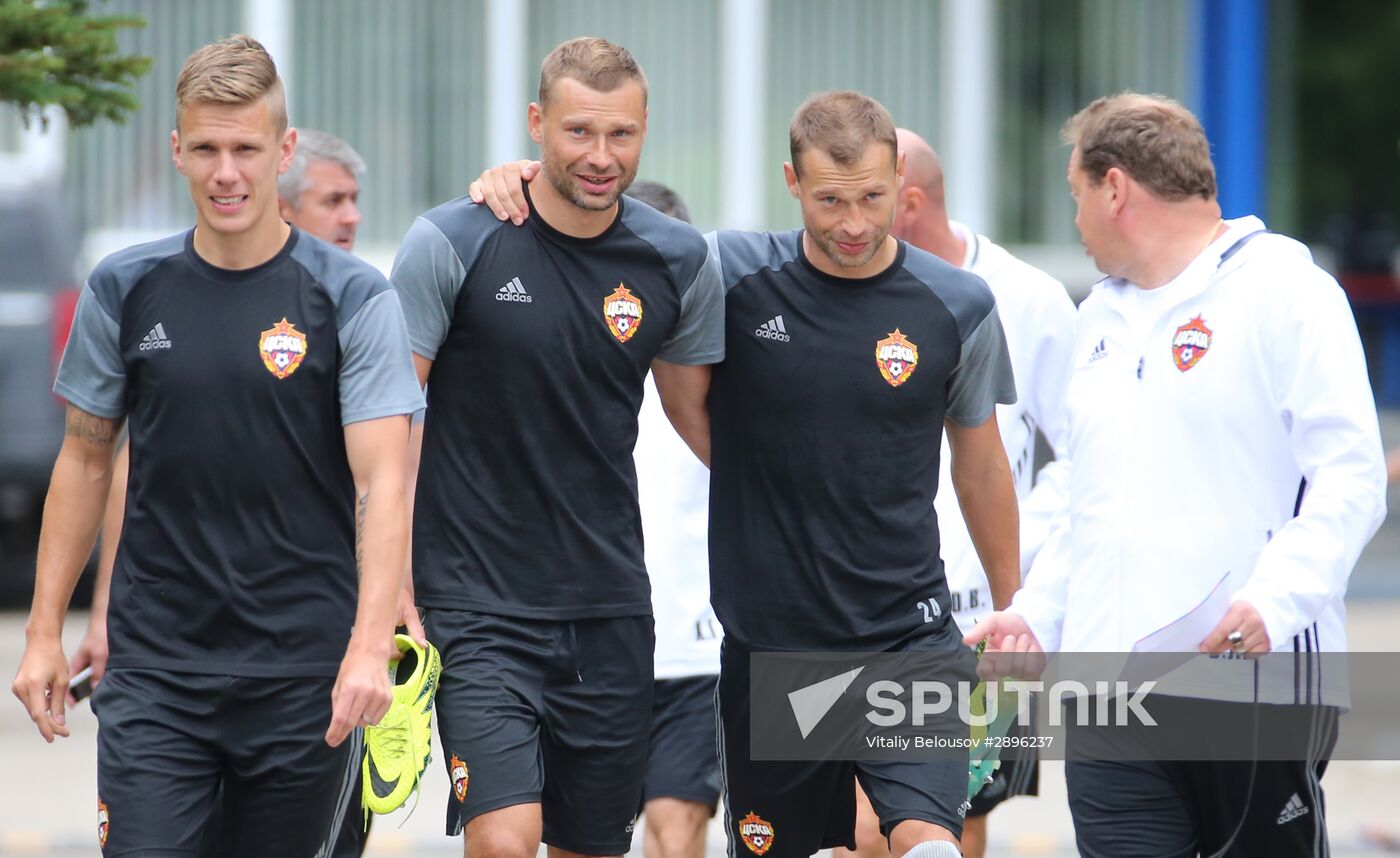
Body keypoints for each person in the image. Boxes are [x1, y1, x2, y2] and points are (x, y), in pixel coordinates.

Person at [471, 88, 1019, 858]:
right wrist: (523, 180)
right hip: (770, 646)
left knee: (926, 838)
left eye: (871, 196)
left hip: (908, 636)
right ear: (792, 185)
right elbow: (622, 252)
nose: (854, 223)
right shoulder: (729, 273)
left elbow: (983, 467)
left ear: (900, 179)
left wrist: (1011, 604)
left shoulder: (958, 303)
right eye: (830, 201)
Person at [9, 35, 423, 855]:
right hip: (159, 675)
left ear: (285, 149)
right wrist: (45, 630)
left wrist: (371, 647)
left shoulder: (351, 299)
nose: (226, 172)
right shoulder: (124, 289)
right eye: (206, 148)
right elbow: (86, 460)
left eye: (246, 148)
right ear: (177, 151)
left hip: (307, 677)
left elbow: (385, 483)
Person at [967, 92, 1387, 857]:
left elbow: (1352, 476)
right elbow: (1087, 511)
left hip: (1247, 687)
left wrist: (1275, 596)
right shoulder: (1096, 318)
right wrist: (1036, 616)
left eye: (1076, 196)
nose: (1076, 221)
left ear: (1116, 188)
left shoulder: (1286, 293)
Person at [390, 37, 723, 858]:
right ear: (537, 124)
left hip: (608, 606)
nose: (601, 157)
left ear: (646, 130)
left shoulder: (678, 259)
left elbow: (703, 424)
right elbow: (388, 423)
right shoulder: (451, 242)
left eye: (621, 135)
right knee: (505, 839)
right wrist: (388, 587)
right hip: (476, 604)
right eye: (578, 132)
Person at [67, 125, 378, 857]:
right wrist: (102, 611)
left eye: (356, 200)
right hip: (168, 655)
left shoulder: (357, 302)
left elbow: (387, 484)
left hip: (304, 657)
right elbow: (128, 466)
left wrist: (375, 632)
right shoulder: (148, 289)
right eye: (335, 200)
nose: (352, 217)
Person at [834, 129, 1076, 858]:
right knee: (853, 831)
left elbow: (1083, 460)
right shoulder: (844, 289)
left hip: (983, 623)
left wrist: (1018, 579)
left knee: (956, 824)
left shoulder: (1028, 299)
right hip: (864, 611)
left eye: (870, 197)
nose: (849, 221)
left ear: (909, 201)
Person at [624, 180, 723, 858]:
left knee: (677, 826)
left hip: (695, 646)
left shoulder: (720, 367)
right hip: (589, 642)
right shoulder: (565, 355)